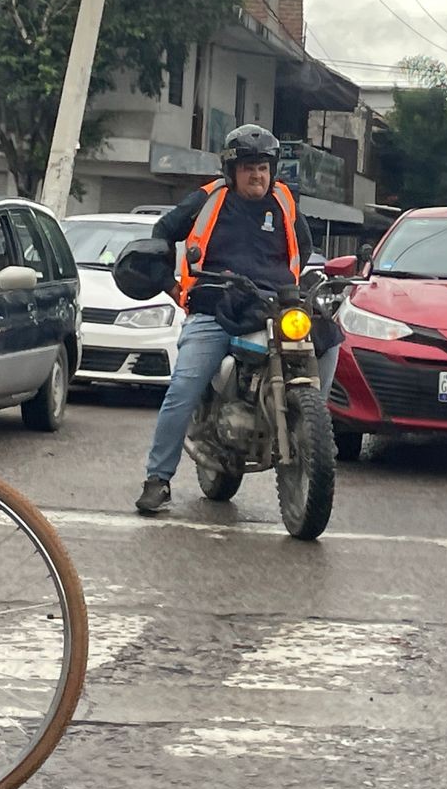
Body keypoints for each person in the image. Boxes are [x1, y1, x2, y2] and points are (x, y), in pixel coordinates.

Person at [134, 124, 337, 515]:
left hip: (274, 307)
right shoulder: (208, 200)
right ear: (231, 171)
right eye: (247, 167)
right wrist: (169, 284)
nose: (256, 175)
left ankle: (313, 431)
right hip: (215, 307)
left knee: (329, 339)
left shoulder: (285, 203)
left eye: (262, 167)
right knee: (185, 385)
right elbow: (163, 232)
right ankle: (158, 479)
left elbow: (304, 248)